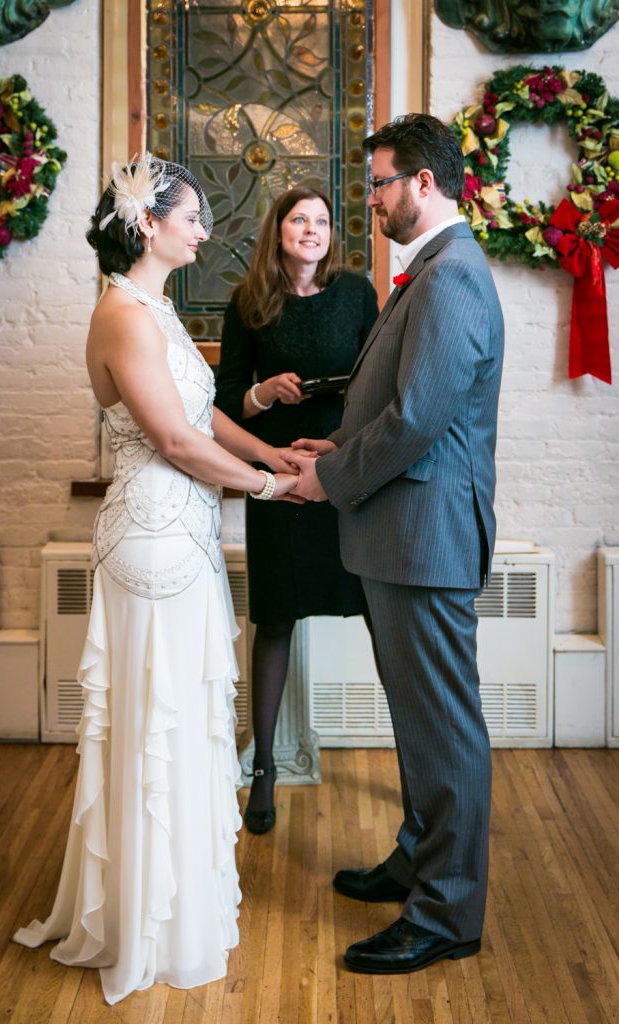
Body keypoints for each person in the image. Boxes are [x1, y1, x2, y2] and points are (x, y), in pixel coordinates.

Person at [13, 155, 301, 1004]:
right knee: (155, 718)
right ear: (149, 224)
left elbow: (199, 412)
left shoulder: (157, 310)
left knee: (185, 712)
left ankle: (178, 904)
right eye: (193, 219)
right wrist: (272, 487)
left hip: (186, 535)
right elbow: (172, 444)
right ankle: (143, 918)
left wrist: (264, 448)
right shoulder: (121, 315)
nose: (205, 231)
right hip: (149, 537)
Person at [291, 114, 504, 973]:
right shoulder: (432, 273)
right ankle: (421, 857)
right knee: (420, 724)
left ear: (423, 183)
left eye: (379, 182)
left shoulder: (451, 277)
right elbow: (406, 404)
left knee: (445, 730)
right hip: (402, 537)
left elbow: (419, 420)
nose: (370, 199)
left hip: (426, 540)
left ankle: (448, 913)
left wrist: (329, 480)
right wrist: (340, 448)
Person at [215, 186, 379, 834]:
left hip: (341, 473)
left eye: (322, 221)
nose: (311, 230)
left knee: (377, 612)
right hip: (278, 475)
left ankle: (416, 763)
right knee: (276, 618)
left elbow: (376, 384)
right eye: (298, 220)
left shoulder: (357, 294)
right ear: (277, 231)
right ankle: (264, 772)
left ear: (331, 234)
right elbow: (224, 401)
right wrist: (263, 392)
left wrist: (338, 453)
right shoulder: (248, 301)